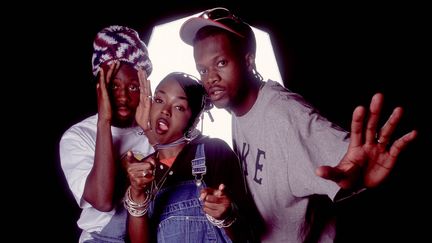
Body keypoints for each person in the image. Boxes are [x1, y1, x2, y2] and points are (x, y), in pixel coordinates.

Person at [179, 7, 418, 243]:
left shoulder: (285, 113)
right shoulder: (238, 109)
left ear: (248, 61)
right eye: (203, 69)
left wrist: (362, 173)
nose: (210, 77)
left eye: (220, 63)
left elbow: (351, 163)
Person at [122, 72, 262, 243]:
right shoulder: (143, 170)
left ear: (193, 120)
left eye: (179, 107)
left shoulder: (214, 152)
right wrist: (137, 194)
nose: (165, 111)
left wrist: (226, 216)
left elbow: (248, 235)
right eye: (159, 100)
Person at [59, 25, 154, 242]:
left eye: (132, 87)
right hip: (101, 237)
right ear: (100, 88)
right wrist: (104, 122)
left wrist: (149, 130)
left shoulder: (155, 132)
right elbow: (103, 201)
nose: (122, 96)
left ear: (143, 88)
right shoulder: (78, 135)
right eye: (114, 86)